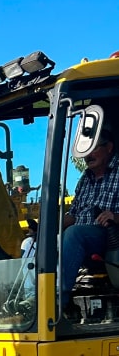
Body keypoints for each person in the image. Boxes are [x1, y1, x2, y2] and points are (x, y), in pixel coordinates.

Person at [61, 126, 119, 312]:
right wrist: (48, 226)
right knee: (37, 239)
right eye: (85, 151)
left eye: (93, 148)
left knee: (74, 233)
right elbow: (74, 214)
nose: (87, 156)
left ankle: (55, 300)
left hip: (110, 236)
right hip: (80, 235)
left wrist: (115, 216)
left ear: (109, 147)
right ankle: (28, 296)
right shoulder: (85, 179)